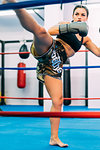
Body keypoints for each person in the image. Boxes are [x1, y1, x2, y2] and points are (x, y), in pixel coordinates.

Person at [2, 0, 100, 147]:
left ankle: (54, 138)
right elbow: (50, 31)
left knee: (58, 100)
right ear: (73, 16)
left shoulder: (85, 39)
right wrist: (69, 27)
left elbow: (98, 53)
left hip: (55, 63)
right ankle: (14, 5)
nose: (79, 17)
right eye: (77, 14)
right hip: (49, 48)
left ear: (87, 18)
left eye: (83, 15)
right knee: (40, 31)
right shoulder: (65, 24)